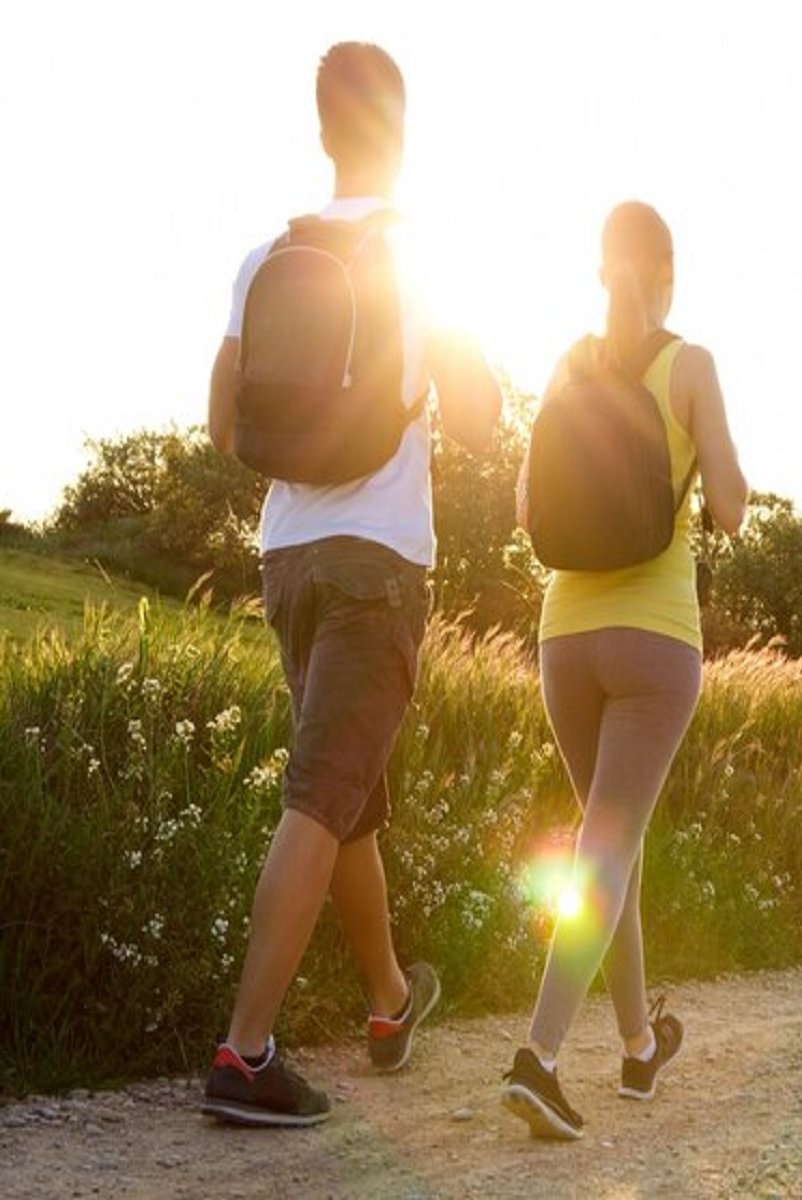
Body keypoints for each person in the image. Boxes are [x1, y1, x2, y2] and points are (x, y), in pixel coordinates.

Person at [203, 41, 502, 1127]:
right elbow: (478, 425)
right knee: (322, 797)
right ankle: (244, 1055)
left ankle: (388, 1002)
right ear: (401, 136)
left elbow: (221, 422)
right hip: (378, 562)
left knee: (347, 800)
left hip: (287, 557)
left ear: (325, 133)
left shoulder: (266, 257)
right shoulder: (419, 262)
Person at [502, 200, 748, 1139]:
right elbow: (730, 509)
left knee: (615, 846)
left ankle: (641, 1045)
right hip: (654, 642)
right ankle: (539, 1055)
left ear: (602, 270)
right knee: (606, 849)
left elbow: (527, 508)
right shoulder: (691, 366)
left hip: (564, 638)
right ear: (668, 273)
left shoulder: (568, 364)